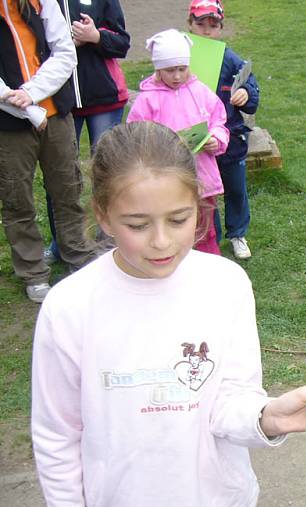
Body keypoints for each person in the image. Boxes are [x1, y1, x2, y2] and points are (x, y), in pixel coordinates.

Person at [31, 121, 306, 507]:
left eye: (178, 219)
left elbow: (232, 397)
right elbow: (56, 432)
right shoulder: (70, 307)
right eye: (136, 224)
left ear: (200, 207)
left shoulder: (225, 284)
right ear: (103, 216)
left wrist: (266, 417)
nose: (161, 241)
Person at [0, 0, 94, 303]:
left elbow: (65, 53)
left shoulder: (41, 2)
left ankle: (78, 256)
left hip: (55, 113)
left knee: (68, 189)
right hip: (8, 121)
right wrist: (24, 107)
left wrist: (33, 94)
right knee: (17, 199)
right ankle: (33, 272)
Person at [43, 0, 130, 266]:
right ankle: (62, 242)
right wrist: (62, 43)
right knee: (61, 176)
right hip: (59, 101)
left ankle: (109, 240)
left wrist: (95, 36)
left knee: (107, 172)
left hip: (104, 99)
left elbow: (122, 43)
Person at [127, 28, 228, 255]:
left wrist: (216, 139)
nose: (177, 76)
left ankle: (209, 268)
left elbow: (218, 120)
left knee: (206, 229)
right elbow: (135, 136)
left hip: (202, 178)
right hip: (166, 180)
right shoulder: (147, 99)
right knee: (174, 228)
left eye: (182, 69)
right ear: (158, 69)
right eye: (170, 70)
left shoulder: (200, 91)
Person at [187, 0, 260, 260]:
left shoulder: (229, 58)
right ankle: (210, 237)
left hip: (231, 139)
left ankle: (238, 232)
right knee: (204, 193)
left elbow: (249, 83)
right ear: (190, 25)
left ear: (221, 27)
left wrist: (245, 93)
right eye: (200, 24)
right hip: (198, 141)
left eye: (213, 25)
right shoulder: (183, 57)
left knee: (236, 189)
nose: (207, 31)